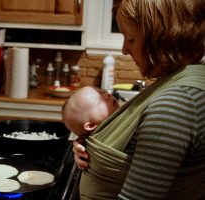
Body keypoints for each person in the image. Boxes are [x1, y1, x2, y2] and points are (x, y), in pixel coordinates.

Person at [73, 0, 205, 199]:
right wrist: (92, 150)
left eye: (130, 38)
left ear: (163, 37)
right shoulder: (183, 79)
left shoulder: (175, 104)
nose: (125, 49)